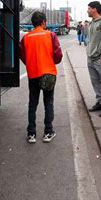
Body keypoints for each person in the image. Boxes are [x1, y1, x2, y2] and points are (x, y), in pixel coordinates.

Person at [20, 11, 63, 144]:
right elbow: (58, 55)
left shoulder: (26, 37)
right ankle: (48, 132)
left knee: (33, 103)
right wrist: (50, 62)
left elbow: (22, 55)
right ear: (44, 22)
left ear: (32, 23)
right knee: (48, 102)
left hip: (33, 74)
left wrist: (31, 63)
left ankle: (31, 133)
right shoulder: (51, 35)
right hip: (48, 73)